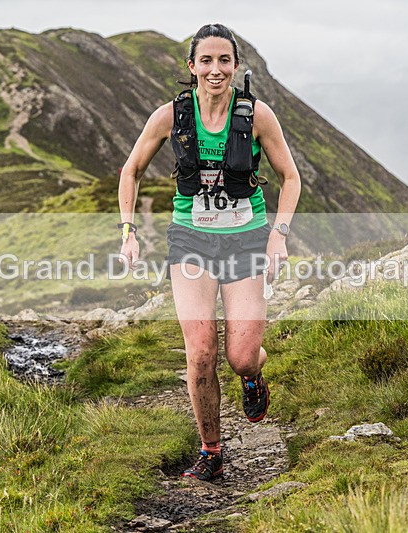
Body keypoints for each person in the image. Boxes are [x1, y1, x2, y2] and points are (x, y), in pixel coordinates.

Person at [117, 23, 301, 482]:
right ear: (191, 66)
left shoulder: (258, 116)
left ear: (236, 66)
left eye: (224, 60)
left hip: (246, 238)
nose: (215, 69)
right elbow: (131, 170)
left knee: (240, 356)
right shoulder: (170, 116)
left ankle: (254, 376)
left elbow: (291, 178)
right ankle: (211, 450)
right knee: (200, 352)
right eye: (206, 60)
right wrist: (128, 230)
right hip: (191, 240)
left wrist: (278, 234)